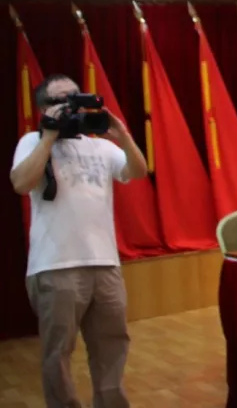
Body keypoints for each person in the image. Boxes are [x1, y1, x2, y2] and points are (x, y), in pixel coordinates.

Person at [10, 75, 150, 408]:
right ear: (43, 108)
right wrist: (48, 137)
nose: (71, 105)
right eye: (61, 100)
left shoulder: (100, 145)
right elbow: (21, 183)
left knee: (112, 345)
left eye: (75, 97)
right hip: (55, 265)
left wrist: (122, 135)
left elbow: (137, 171)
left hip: (105, 264)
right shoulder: (32, 141)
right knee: (58, 352)